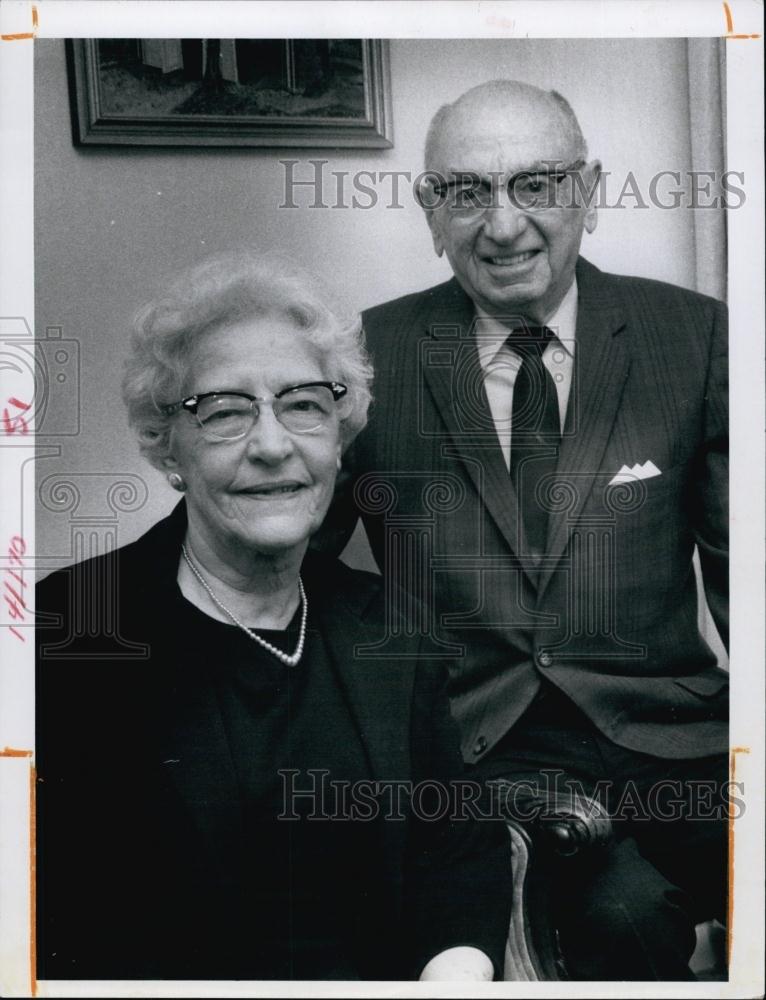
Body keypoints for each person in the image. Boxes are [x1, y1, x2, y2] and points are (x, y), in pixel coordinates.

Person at [317, 80, 729, 980]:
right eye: (466, 192)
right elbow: (290, 569)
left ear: (589, 189)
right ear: (430, 210)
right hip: (487, 754)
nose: (503, 226)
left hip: (684, 740)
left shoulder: (693, 339)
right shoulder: (366, 360)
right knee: (624, 920)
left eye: (536, 185)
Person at [35, 253, 512, 982]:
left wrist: (455, 972)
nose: (271, 444)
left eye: (303, 405)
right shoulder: (69, 634)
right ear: (168, 448)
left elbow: (455, 852)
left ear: (339, 434)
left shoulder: (388, 623)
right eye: (226, 412)